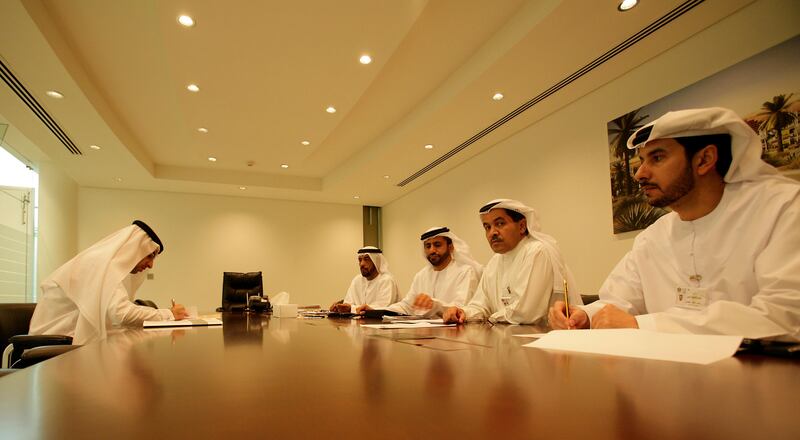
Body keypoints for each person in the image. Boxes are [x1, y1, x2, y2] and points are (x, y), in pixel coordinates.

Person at [549, 107, 800, 340]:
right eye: (642, 160)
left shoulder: (783, 207)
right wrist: (586, 316)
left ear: (704, 159)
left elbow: (785, 316)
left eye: (657, 158)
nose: (640, 173)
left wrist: (643, 326)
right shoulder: (653, 237)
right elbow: (618, 301)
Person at [29, 220, 188, 344]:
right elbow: (122, 315)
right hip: (53, 348)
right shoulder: (99, 265)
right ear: (134, 249)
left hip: (70, 343)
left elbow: (116, 316)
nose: (151, 265)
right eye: (149, 256)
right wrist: (169, 314)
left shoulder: (105, 266)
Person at [443, 199, 581, 324]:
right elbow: (480, 305)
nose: (492, 233)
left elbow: (525, 314)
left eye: (500, 224)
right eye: (487, 227)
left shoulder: (537, 251)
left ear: (521, 226)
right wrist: (464, 313)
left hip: (548, 340)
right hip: (510, 339)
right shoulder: (494, 262)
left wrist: (491, 317)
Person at [359, 227, 481, 317]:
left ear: (450, 247)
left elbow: (460, 309)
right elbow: (407, 305)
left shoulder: (465, 271)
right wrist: (376, 311)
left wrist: (435, 305)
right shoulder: (421, 275)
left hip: (456, 335)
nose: (432, 250)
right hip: (424, 336)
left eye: (437, 245)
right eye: (428, 246)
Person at [330, 246, 399, 313]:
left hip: (382, 323)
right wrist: (339, 307)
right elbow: (349, 303)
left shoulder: (386, 280)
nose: (362, 264)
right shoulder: (357, 280)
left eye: (366, 259)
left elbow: (381, 308)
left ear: (376, 261)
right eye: (360, 260)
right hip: (359, 322)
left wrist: (352, 308)